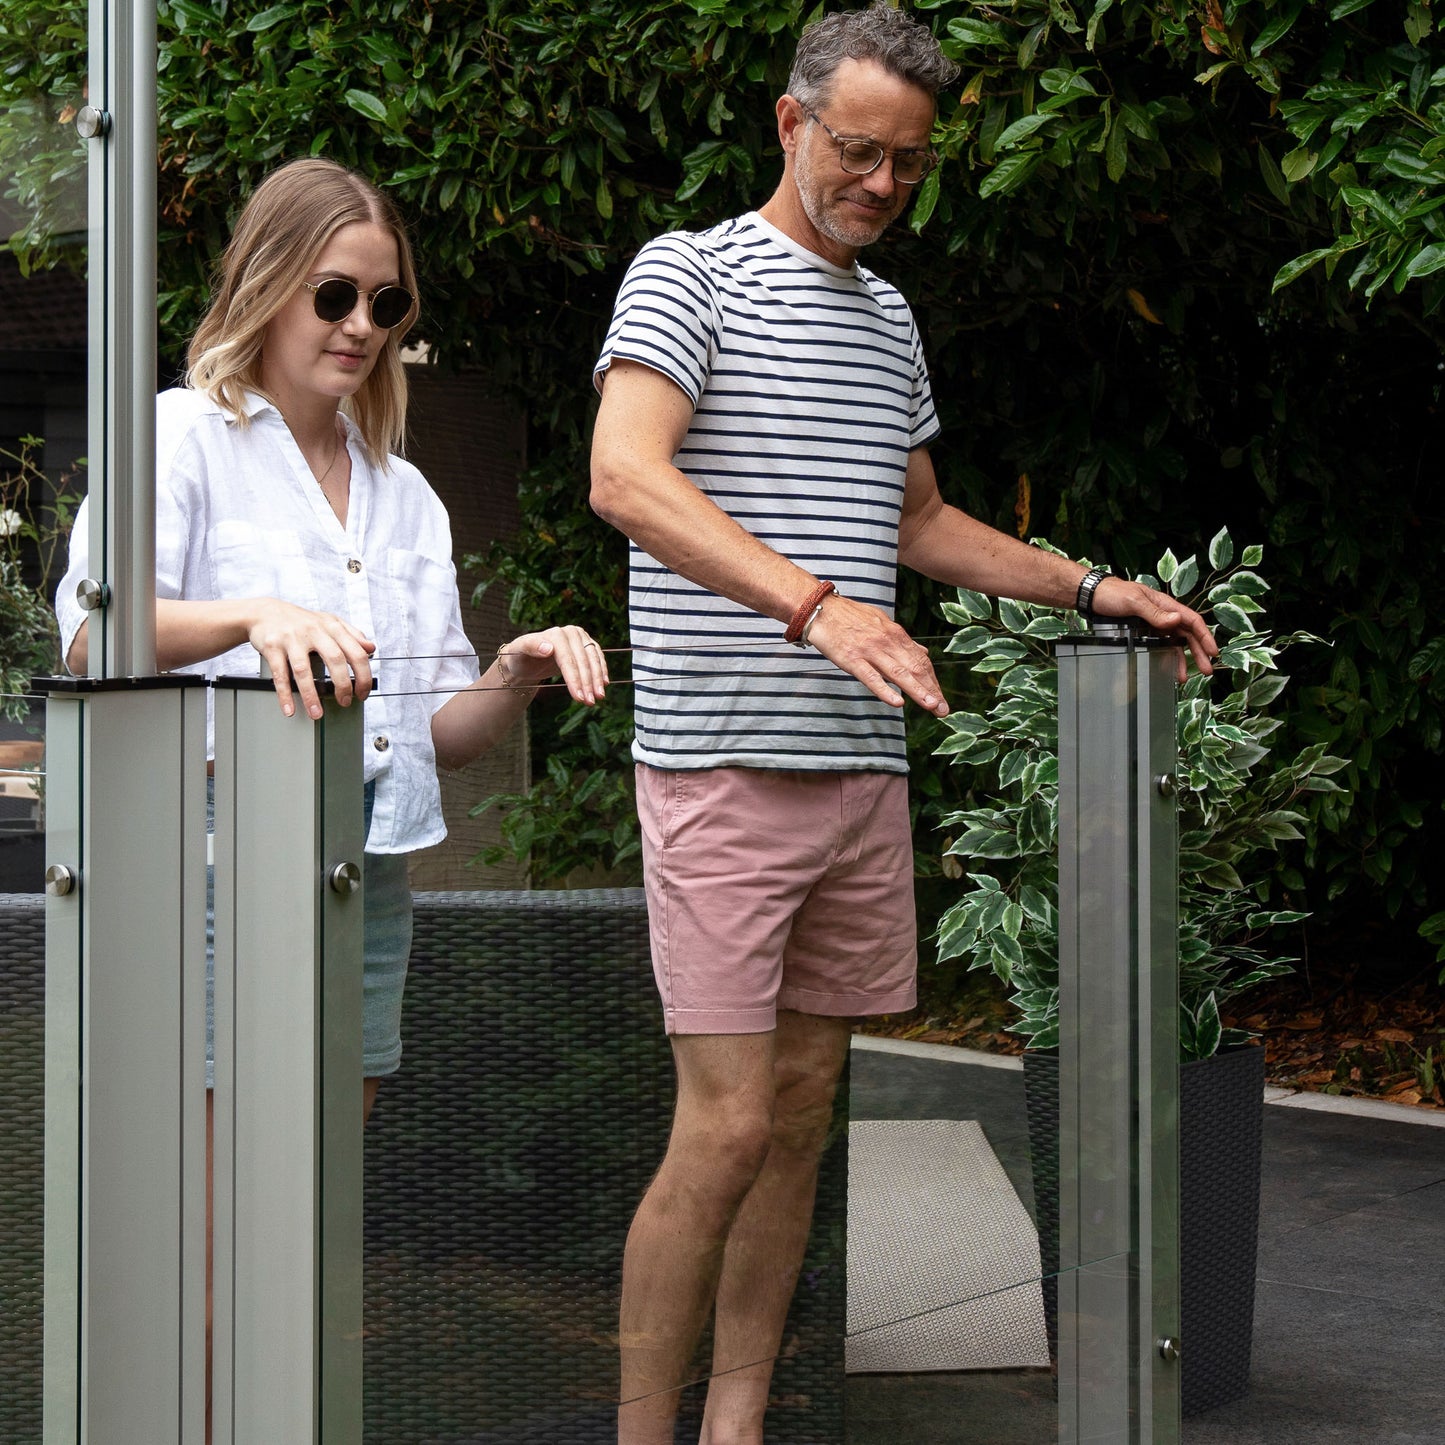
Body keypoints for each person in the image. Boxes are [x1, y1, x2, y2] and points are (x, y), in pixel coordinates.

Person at [589, 5, 1217, 1442]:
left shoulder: (887, 317)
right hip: (720, 760)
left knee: (803, 1114)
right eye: (859, 152)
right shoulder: (687, 275)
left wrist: (1099, 585)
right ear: (790, 122)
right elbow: (625, 477)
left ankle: (737, 1422)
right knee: (728, 1123)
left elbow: (920, 520)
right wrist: (819, 608)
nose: (881, 185)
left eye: (911, 166)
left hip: (860, 772)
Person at [55, 156, 609, 1434]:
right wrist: (258, 610)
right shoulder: (180, 435)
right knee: (205, 1242)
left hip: (364, 874)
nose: (362, 325)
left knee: (299, 1223)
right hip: (208, 864)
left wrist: (513, 671)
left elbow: (436, 735)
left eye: (388, 304)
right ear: (265, 285)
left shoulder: (404, 494)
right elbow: (90, 639)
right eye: (334, 294)